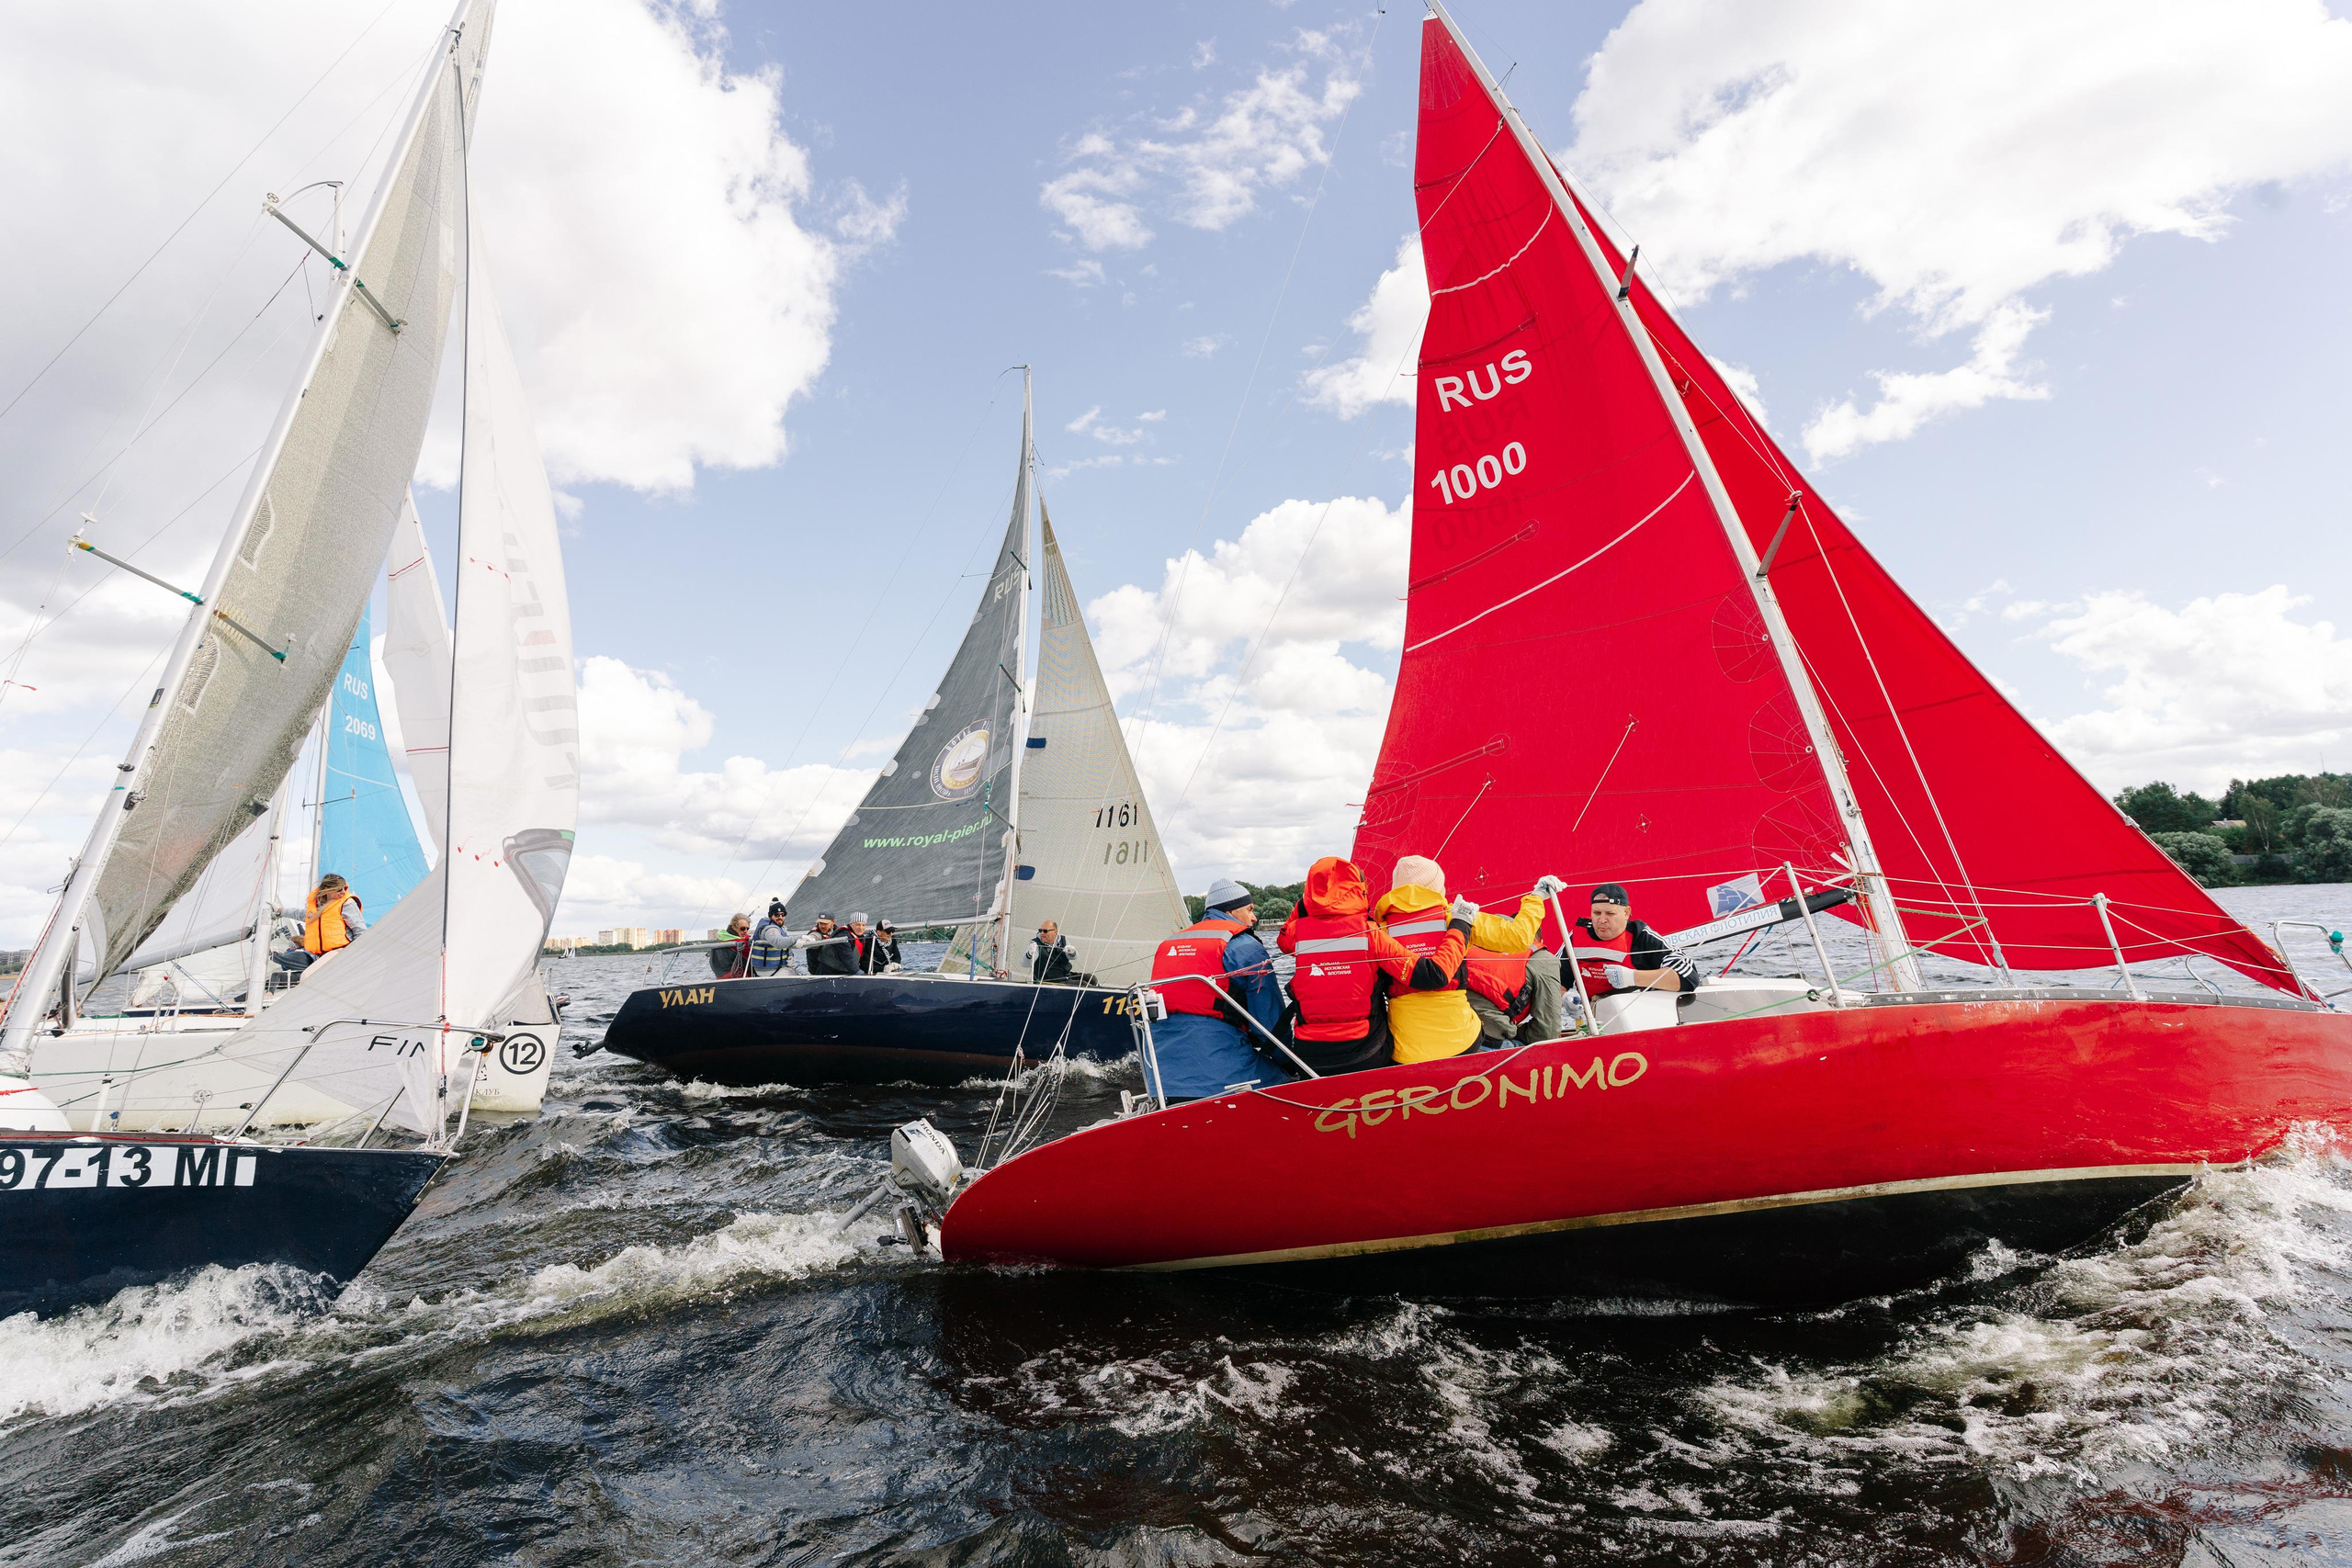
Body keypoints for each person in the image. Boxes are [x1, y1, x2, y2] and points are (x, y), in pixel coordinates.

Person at [1278, 856, 1473, 1074]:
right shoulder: (1371, 934)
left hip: (1309, 1055)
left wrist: (1308, 902)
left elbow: (1282, 939)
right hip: (1366, 1054)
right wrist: (1461, 923)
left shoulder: (1296, 933)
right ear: (1359, 890)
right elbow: (1432, 976)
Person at [1369, 855, 1546, 1064]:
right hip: (1461, 1041)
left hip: (1406, 1049)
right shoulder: (1457, 917)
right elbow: (1518, 937)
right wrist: (1536, 898)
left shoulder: (1378, 930)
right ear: (1436, 887)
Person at [1146, 878, 1285, 1100]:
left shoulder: (1168, 945)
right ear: (1231, 911)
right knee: (1288, 1080)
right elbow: (1270, 1026)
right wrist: (1290, 1060)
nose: (1254, 917)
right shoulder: (1245, 946)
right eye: (1249, 910)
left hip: (1161, 1079)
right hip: (1219, 1073)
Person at [1464, 874, 1571, 1043]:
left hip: (1446, 1030)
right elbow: (1547, 1030)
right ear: (1540, 941)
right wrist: (1515, 1033)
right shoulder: (1542, 958)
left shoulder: (1475, 936)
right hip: (1486, 1039)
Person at [1570, 883, 1698, 1004]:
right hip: (1591, 1017)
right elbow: (1556, 978)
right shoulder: (1577, 936)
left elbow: (1689, 977)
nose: (1602, 920)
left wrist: (1632, 977)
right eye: (1596, 913)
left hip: (1637, 1012)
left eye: (1610, 913)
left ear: (1626, 913)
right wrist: (1566, 997)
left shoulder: (1641, 936)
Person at [275, 874, 365, 977]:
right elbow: (301, 914)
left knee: (307, 976)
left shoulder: (347, 903)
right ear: (328, 889)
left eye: (345, 888)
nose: (343, 892)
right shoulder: (317, 907)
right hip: (321, 956)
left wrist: (356, 955)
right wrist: (280, 911)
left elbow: (360, 931)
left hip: (341, 951)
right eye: (339, 889)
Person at [1023, 919, 1078, 985]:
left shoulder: (1063, 940)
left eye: (1045, 931)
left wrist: (1072, 952)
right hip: (1049, 981)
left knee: (1090, 978)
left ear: (1055, 932)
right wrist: (1029, 954)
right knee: (1084, 984)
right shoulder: (1035, 943)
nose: (1042, 933)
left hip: (1065, 976)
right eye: (1040, 931)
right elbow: (1025, 964)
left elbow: (1074, 957)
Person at [801, 912, 857, 976]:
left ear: (833, 922)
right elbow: (813, 937)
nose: (822, 926)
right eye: (820, 923)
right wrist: (806, 941)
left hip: (836, 970)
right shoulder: (816, 933)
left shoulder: (839, 932)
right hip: (818, 973)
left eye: (825, 923)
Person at [748, 901, 794, 976]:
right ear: (770, 916)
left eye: (783, 914)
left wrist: (790, 954)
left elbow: (785, 944)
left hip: (776, 969)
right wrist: (802, 938)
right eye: (777, 915)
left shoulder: (779, 928)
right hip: (770, 971)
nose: (780, 917)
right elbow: (778, 942)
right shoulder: (770, 929)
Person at [711, 913, 752, 979]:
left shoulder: (721, 939)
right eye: (743, 928)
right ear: (733, 927)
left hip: (720, 978)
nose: (745, 931)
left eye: (747, 928)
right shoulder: (741, 944)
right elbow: (750, 964)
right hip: (738, 979)